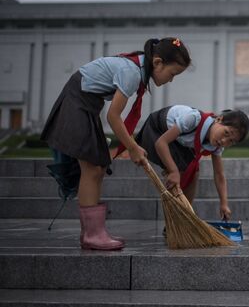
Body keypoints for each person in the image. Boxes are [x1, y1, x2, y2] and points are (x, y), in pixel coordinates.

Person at [40, 38, 191, 250]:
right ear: (157, 63)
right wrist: (132, 147)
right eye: (172, 74)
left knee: (98, 167)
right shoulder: (131, 72)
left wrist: (132, 146)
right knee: (92, 169)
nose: (171, 80)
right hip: (77, 102)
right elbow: (113, 116)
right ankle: (92, 234)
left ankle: (91, 233)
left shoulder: (136, 68)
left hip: (87, 105)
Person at [135, 106, 249, 219]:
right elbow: (161, 143)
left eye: (231, 141)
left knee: (193, 172)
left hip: (177, 142)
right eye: (226, 133)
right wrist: (173, 171)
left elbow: (219, 175)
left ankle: (184, 217)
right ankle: (174, 220)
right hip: (157, 130)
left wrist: (224, 204)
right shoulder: (193, 119)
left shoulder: (217, 146)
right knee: (178, 171)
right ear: (218, 119)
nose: (224, 141)